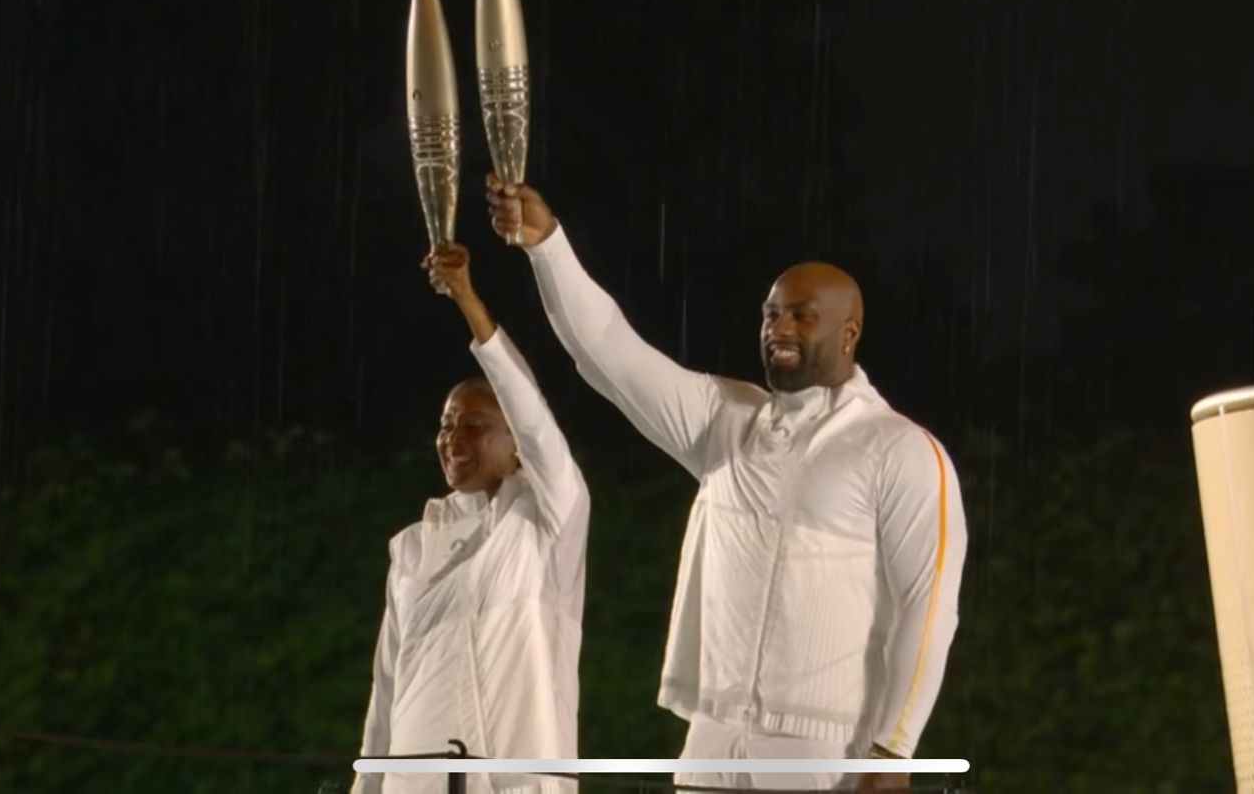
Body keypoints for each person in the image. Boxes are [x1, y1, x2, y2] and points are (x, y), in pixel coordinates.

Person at [486, 176, 966, 792]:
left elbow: (928, 610)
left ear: (849, 333)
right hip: (710, 744)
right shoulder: (723, 421)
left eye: (802, 315)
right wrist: (546, 246)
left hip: (825, 754)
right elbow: (606, 351)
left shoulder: (900, 449)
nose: (779, 328)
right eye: (770, 314)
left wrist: (892, 754)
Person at [354, 243, 589, 794]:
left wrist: (467, 301)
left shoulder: (548, 522)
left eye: (476, 425)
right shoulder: (411, 548)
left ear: (516, 445)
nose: (453, 439)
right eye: (446, 424)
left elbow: (535, 417)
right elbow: (386, 691)